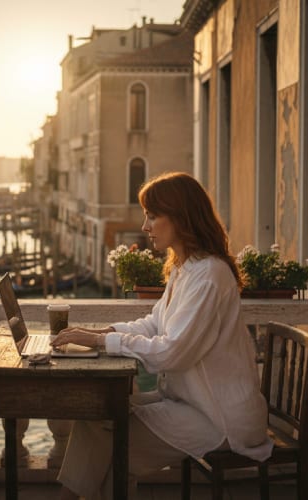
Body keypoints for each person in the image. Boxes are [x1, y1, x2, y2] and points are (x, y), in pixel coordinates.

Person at [51, 172, 273, 499]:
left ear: (181, 218)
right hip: (188, 403)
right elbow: (154, 323)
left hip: (218, 418)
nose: (145, 226)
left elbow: (172, 352)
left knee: (108, 450)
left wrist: (101, 342)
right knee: (93, 422)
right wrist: (101, 332)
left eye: (152, 216)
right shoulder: (186, 268)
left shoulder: (209, 276)